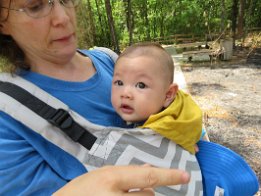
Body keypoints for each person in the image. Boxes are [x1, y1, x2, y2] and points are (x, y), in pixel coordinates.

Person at [0, 0, 191, 194]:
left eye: (65, 0)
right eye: (35, 6)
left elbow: (180, 113)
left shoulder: (110, 61)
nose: (63, 17)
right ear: (2, 22)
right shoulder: (7, 113)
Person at [111, 42, 203, 154]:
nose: (125, 93)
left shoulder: (168, 130)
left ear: (168, 95)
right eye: (119, 82)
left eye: (141, 85)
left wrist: (186, 139)